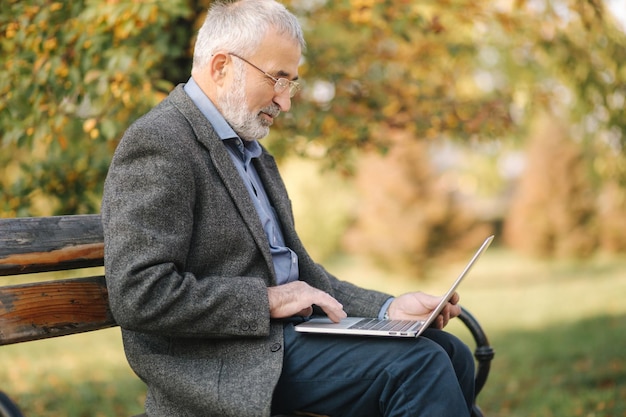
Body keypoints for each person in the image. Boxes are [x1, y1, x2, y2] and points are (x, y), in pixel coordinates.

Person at [101, 1, 475, 416]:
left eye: (291, 83)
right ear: (222, 66)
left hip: (282, 340)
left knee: (450, 351)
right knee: (417, 366)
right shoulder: (160, 142)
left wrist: (388, 310)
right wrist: (266, 300)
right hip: (226, 362)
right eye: (277, 79)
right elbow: (138, 294)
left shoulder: (250, 151)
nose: (286, 101)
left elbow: (302, 277)